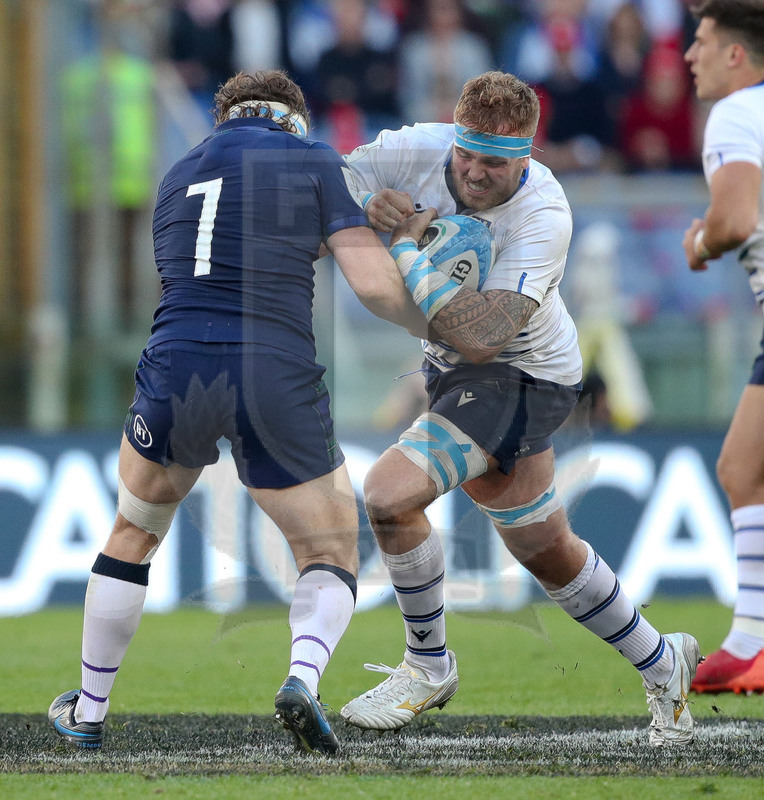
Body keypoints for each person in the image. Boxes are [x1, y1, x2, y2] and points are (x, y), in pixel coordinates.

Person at [48, 69, 431, 756]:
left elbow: (234, 251)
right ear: (294, 119)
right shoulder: (316, 160)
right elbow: (374, 290)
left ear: (224, 118)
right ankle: (302, 679)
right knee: (327, 548)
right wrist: (428, 294)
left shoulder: (177, 176)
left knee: (133, 531)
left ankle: (89, 708)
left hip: (177, 364)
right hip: (270, 370)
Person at [340, 70, 701, 746]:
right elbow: (329, 184)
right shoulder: (413, 149)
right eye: (465, 154)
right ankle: (662, 657)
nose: (474, 174)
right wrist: (365, 206)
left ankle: (427, 664)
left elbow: (483, 337)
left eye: (495, 163)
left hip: (521, 373)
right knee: (543, 546)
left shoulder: (545, 214)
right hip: (451, 370)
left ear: (527, 156)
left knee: (389, 496)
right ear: (452, 135)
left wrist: (405, 246)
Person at [681, 0, 764, 694]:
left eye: (702, 41)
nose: (687, 55)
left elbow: (734, 220)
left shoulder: (737, 113)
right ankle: (748, 641)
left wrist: (700, 241)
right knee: (743, 467)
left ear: (736, 54)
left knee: (744, 468)